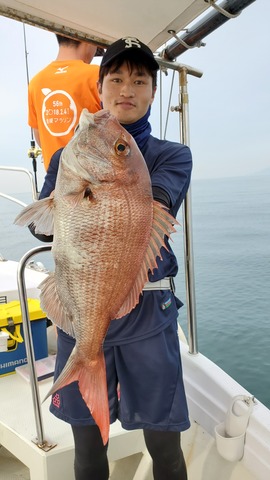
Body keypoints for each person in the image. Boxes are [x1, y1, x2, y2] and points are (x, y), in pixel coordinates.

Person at [35, 37, 193, 479]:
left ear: (153, 91)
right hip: (79, 310)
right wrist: (68, 189)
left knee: (164, 444)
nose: (127, 88)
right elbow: (38, 224)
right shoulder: (67, 156)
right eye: (117, 78)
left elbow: (155, 204)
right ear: (99, 87)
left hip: (148, 318)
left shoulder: (172, 156)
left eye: (139, 79)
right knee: (87, 448)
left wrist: (100, 179)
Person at [28, 34, 101, 171]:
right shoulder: (97, 75)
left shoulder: (36, 82)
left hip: (56, 183)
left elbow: (39, 135)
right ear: (87, 40)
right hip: (93, 179)